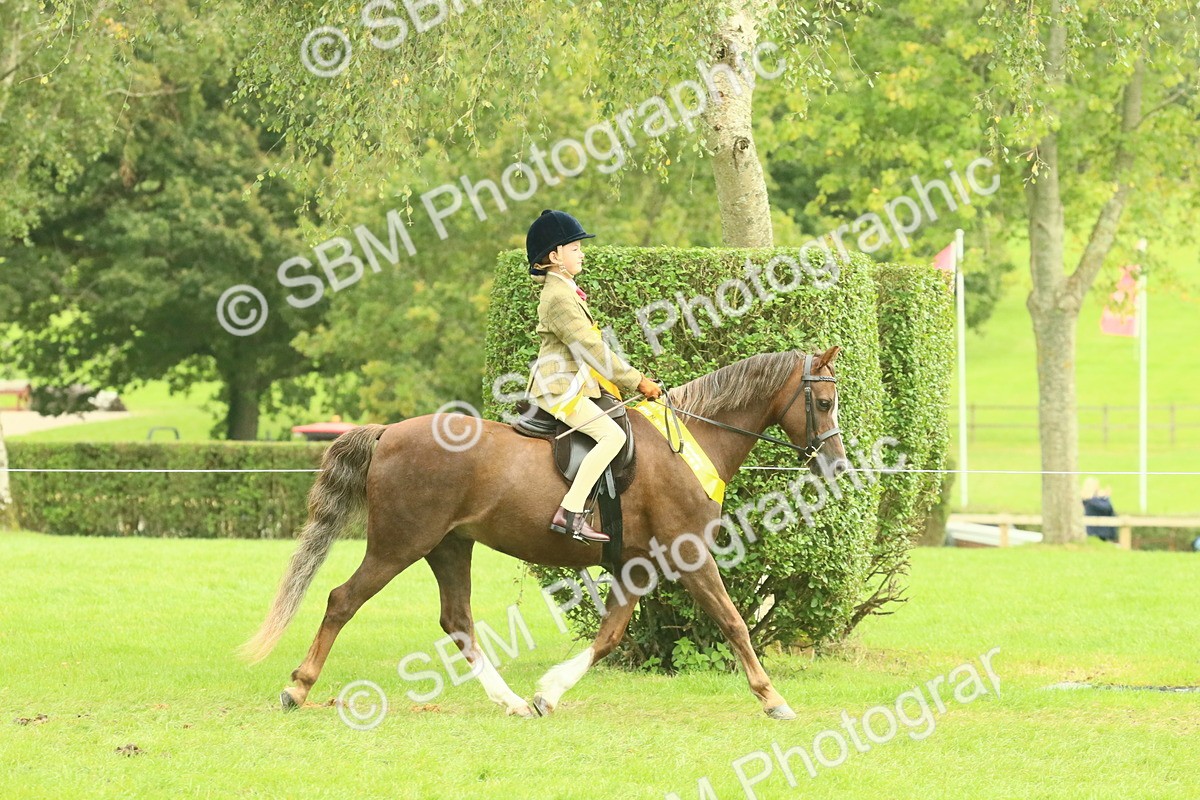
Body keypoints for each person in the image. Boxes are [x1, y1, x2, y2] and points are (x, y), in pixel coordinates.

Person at [523, 209, 662, 543]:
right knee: (612, 437)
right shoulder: (558, 296)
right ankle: (570, 512)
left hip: (575, 384)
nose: (581, 253)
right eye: (575, 248)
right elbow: (591, 348)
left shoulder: (566, 289)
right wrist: (637, 381)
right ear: (555, 256)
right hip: (559, 389)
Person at [1081, 478, 1117, 543]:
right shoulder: (1092, 501)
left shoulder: (1087, 500)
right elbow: (1106, 508)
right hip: (1098, 533)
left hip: (1093, 531)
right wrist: (1106, 497)